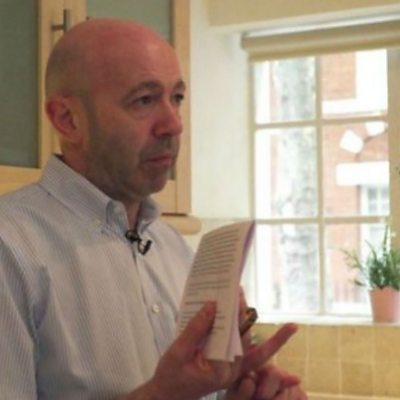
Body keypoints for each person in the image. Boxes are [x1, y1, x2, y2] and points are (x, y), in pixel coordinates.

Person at [0, 18, 307, 400]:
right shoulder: (11, 248)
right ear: (68, 119)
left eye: (176, 98)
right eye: (144, 100)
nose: (173, 124)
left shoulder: (176, 251)